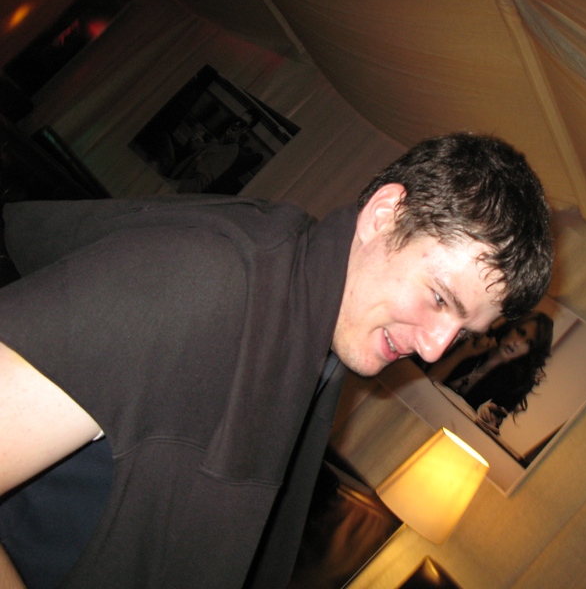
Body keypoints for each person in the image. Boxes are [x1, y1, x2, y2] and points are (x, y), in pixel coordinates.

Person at [0, 132, 553, 587]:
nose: (433, 348)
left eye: (463, 334)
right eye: (439, 298)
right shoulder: (204, 281)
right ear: (384, 216)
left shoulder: (317, 349)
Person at [428, 311, 554, 432]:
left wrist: (489, 420)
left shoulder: (515, 381)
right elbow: (427, 379)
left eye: (529, 343)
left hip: (452, 424)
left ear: (531, 351)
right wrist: (463, 352)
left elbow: (493, 418)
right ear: (511, 326)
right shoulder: (476, 340)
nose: (518, 343)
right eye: (520, 332)